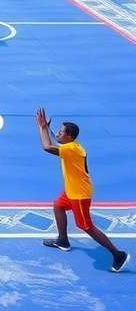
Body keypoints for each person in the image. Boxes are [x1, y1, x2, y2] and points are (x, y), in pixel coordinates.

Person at [35, 108, 130, 272]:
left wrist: (42, 127)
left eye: (60, 132)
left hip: (79, 195)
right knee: (58, 206)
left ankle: (119, 255)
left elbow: (47, 147)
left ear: (69, 136)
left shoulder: (71, 149)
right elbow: (54, 142)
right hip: (71, 190)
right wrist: (46, 129)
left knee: (86, 226)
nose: (57, 134)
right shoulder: (72, 146)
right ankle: (63, 240)